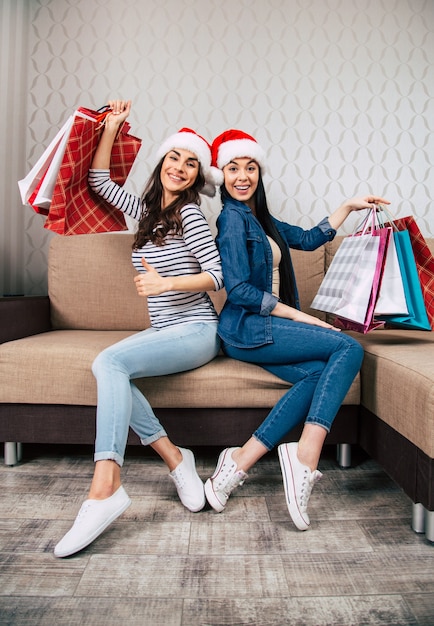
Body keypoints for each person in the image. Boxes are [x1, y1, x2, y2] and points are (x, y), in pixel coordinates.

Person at [54, 100, 224, 557]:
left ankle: (106, 483)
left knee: (108, 360)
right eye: (175, 157)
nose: (181, 167)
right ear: (162, 162)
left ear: (196, 177)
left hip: (196, 330)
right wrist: (110, 127)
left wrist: (166, 282)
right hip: (163, 330)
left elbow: (217, 276)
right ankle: (176, 457)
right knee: (110, 367)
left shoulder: (190, 215)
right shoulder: (147, 213)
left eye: (192, 163)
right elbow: (98, 181)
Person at [204, 129, 390, 531]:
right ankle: (305, 455)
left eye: (250, 168)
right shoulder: (231, 220)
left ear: (259, 173)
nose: (243, 176)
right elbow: (236, 289)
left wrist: (347, 207)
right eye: (233, 168)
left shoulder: (261, 219)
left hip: (266, 325)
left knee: (317, 373)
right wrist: (296, 315)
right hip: (247, 328)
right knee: (349, 349)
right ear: (222, 175)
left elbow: (308, 239)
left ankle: (237, 463)